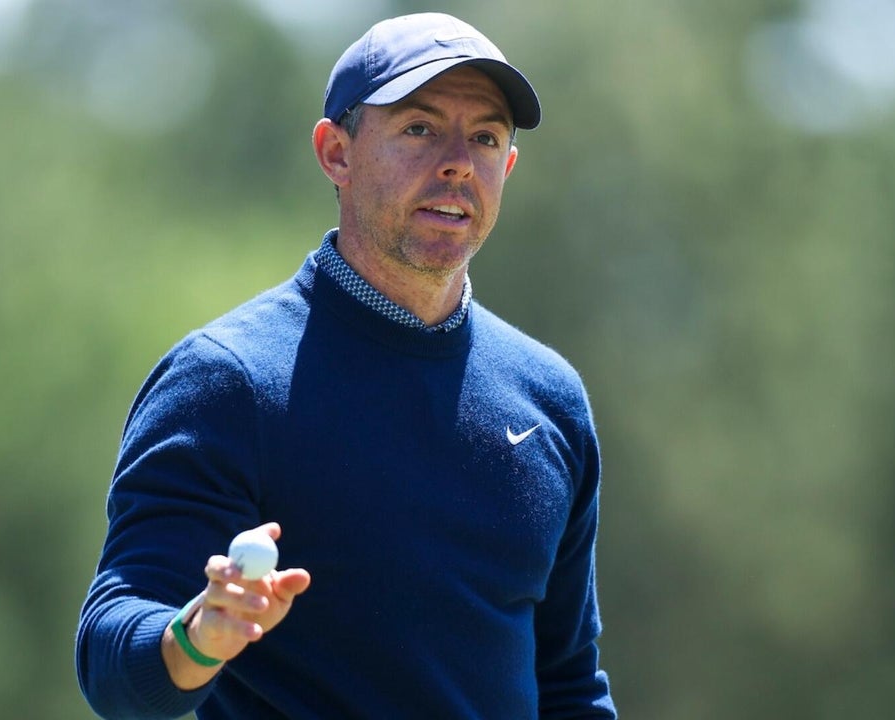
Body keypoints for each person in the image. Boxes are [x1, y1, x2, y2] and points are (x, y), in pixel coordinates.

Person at [76, 12, 617, 719]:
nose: (459, 162)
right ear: (337, 153)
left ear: (506, 168)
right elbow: (111, 658)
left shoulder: (549, 400)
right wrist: (199, 637)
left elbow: (568, 685)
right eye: (419, 128)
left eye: (485, 137)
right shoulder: (228, 382)